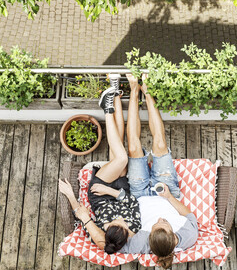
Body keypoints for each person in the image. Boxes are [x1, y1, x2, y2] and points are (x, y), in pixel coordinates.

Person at [119, 74, 199, 269]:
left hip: (139, 194)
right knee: (161, 144)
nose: (160, 219)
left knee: (134, 149)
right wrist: (170, 197)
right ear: (173, 236)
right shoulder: (188, 236)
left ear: (150, 237)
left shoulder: (141, 244)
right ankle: (147, 91)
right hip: (166, 190)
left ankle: (134, 91)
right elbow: (189, 215)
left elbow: (113, 244)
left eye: (156, 224)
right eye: (165, 223)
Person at [58, 74, 141, 254]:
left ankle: (107, 108)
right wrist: (113, 192)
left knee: (121, 158)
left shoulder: (101, 236)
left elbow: (80, 213)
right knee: (118, 141)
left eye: (113, 222)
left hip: (99, 191)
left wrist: (71, 195)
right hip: (119, 188)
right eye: (122, 223)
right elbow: (132, 202)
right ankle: (114, 89)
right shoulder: (133, 227)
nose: (119, 218)